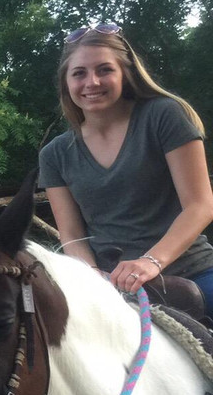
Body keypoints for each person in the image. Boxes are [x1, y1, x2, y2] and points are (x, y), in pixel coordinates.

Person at [39, 23, 213, 310]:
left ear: (125, 74)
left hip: (191, 271)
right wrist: (93, 277)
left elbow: (199, 205)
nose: (91, 82)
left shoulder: (163, 116)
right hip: (112, 288)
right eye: (79, 73)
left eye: (104, 70)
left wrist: (150, 262)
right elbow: (71, 234)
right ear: (66, 83)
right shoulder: (54, 154)